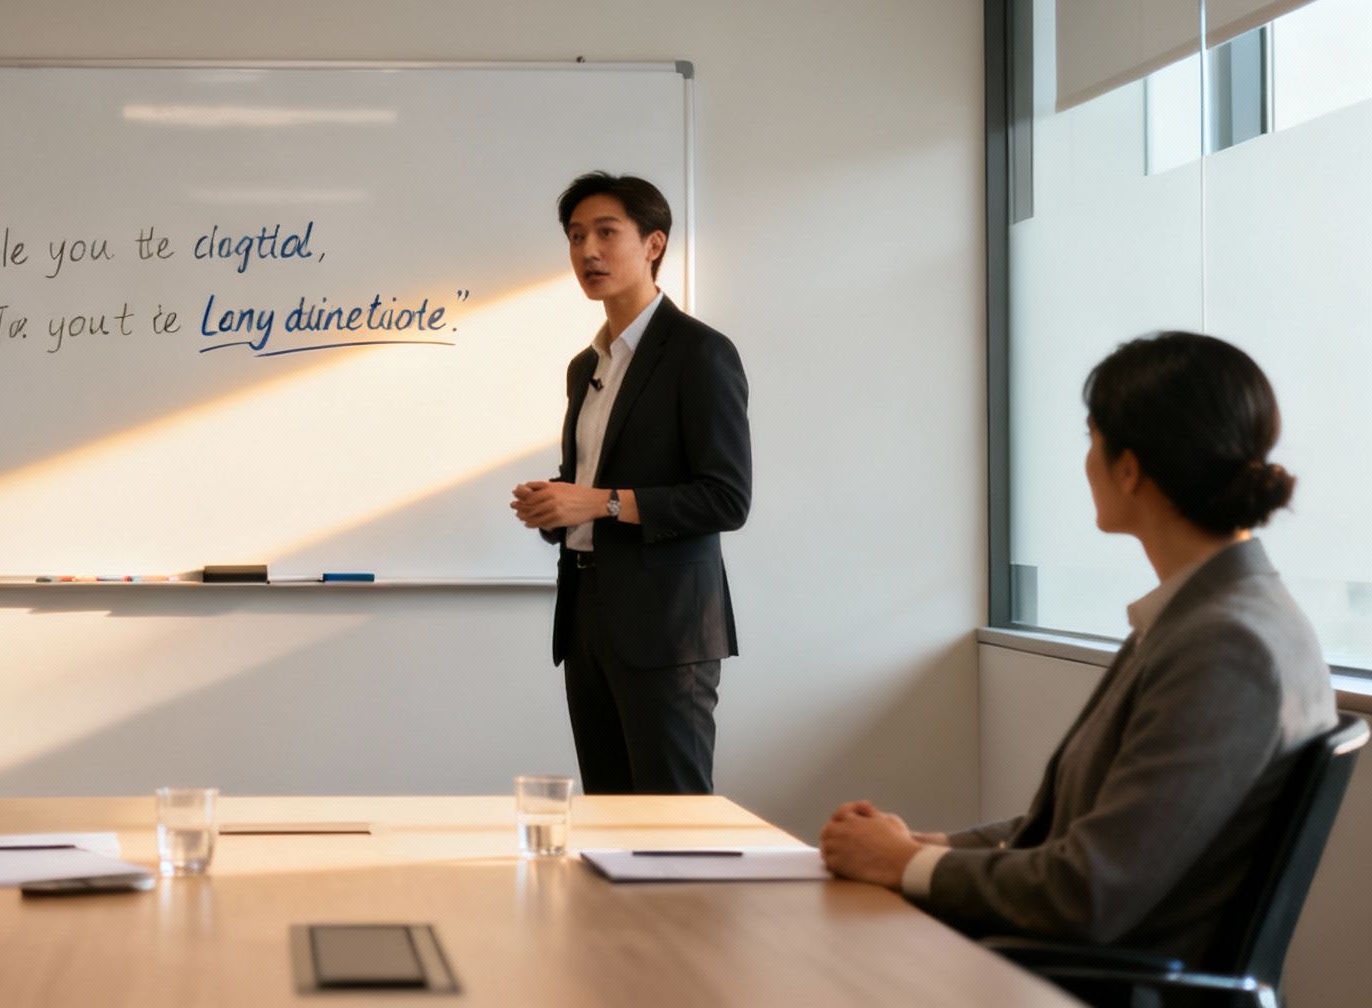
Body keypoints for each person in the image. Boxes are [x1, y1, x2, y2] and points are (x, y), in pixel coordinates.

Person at [819, 332, 1336, 965]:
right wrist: (930, 849)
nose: (1085, 462)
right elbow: (1079, 830)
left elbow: (1092, 892)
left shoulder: (1226, 645)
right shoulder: (1216, 615)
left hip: (1080, 980)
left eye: (1091, 441)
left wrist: (909, 864)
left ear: (1129, 467)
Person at [510, 172, 752, 794]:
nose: (587, 250)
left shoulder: (701, 353)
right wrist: (556, 506)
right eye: (574, 236)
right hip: (588, 619)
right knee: (609, 818)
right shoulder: (584, 366)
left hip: (667, 629)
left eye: (605, 232)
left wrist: (598, 502)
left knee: (674, 821)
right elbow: (590, 486)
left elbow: (726, 497)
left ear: (653, 244)